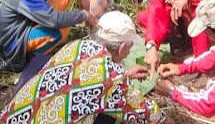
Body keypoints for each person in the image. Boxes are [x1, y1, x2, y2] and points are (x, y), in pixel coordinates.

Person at [0, 11, 172, 124]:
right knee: (109, 116)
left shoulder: (74, 47)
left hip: (10, 119)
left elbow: (81, 80)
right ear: (121, 48)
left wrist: (125, 74)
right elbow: (149, 115)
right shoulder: (113, 78)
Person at [0, 0, 96, 72]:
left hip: (29, 23)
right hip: (13, 43)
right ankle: (30, 61)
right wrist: (84, 15)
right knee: (58, 31)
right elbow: (54, 20)